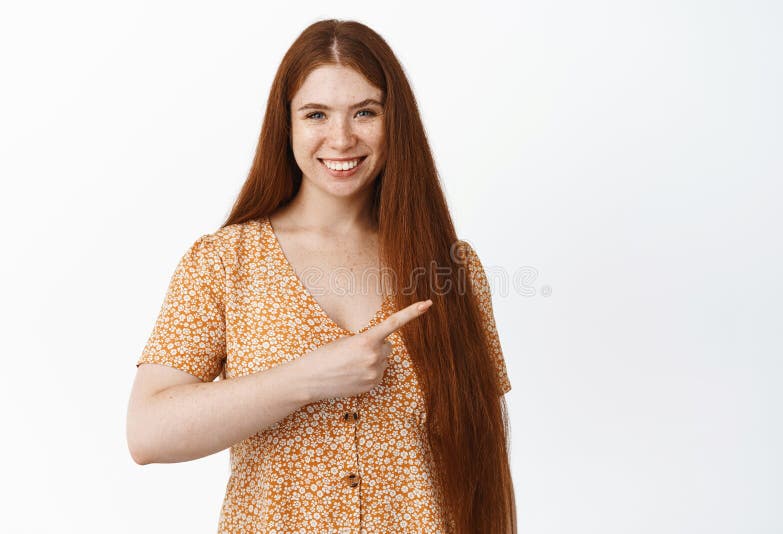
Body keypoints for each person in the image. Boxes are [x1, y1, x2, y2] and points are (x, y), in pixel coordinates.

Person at [126, 18, 515, 534]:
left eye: (365, 112)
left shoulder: (451, 267)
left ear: (394, 121)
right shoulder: (224, 260)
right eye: (316, 114)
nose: (341, 137)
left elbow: (484, 463)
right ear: (285, 124)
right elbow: (148, 433)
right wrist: (308, 378)